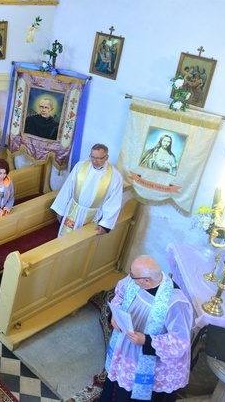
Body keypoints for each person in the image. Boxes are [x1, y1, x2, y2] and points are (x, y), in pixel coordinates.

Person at [100, 256, 193, 401]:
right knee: (116, 384)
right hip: (124, 344)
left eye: (133, 276)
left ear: (147, 280)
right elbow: (120, 293)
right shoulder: (134, 280)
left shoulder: (176, 303)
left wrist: (146, 340)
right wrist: (114, 314)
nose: (129, 277)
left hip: (147, 357)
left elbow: (179, 341)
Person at [51, 143, 124, 237]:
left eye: (98, 158)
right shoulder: (80, 166)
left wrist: (105, 225)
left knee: (82, 244)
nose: (94, 161)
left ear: (106, 157)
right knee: (64, 240)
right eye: (92, 157)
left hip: (92, 216)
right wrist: (60, 210)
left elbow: (114, 202)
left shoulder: (115, 176)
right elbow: (67, 188)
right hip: (72, 211)